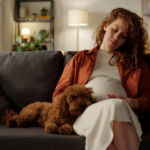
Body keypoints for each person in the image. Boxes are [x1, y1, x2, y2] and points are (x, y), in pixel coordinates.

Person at [52, 7, 150, 150]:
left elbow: (148, 97)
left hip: (124, 113)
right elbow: (59, 93)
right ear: (105, 26)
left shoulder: (137, 63)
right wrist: (71, 108)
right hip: (86, 114)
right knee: (115, 104)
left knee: (117, 107)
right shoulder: (81, 58)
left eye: (123, 36)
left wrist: (131, 103)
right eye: (114, 30)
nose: (116, 37)